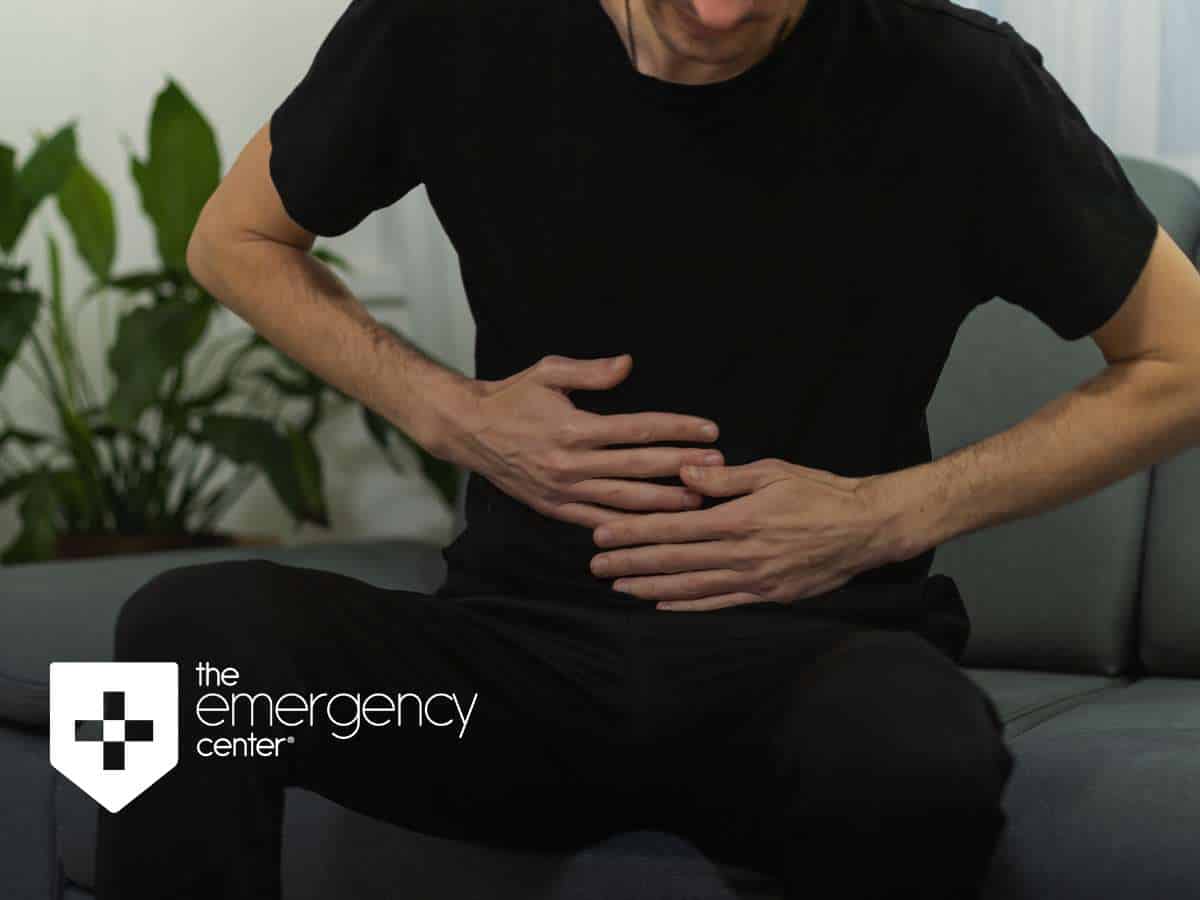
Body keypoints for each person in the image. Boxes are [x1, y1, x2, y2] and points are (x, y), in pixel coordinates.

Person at [97, 0, 1200, 897]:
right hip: (500, 692)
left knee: (916, 759)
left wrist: (886, 514)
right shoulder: (454, 27)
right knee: (174, 651)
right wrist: (453, 413)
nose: (718, 15)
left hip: (801, 681)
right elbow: (232, 238)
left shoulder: (953, 79)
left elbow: (1180, 361)